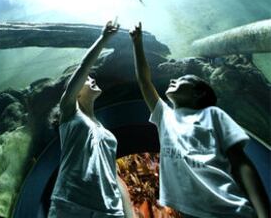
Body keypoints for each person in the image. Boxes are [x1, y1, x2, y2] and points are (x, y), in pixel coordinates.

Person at [129, 22, 270, 218]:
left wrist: (264, 213)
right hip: (191, 213)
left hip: (230, 210)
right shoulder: (165, 115)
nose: (173, 80)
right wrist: (137, 44)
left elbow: (241, 163)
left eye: (181, 80)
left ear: (198, 93)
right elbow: (144, 81)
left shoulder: (213, 115)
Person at [48, 20, 134, 218]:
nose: (91, 78)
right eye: (87, 79)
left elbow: (114, 175)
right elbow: (83, 68)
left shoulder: (105, 131)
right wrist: (104, 38)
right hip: (72, 204)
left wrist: (129, 214)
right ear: (75, 92)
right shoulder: (70, 115)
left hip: (110, 211)